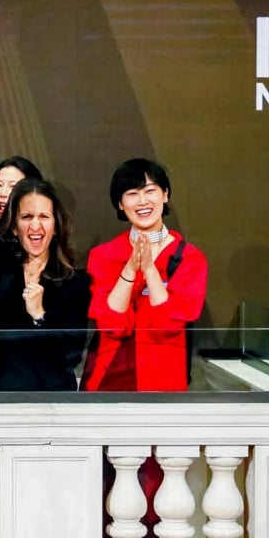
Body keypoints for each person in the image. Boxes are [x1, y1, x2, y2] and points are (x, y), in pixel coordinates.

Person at [82, 158, 207, 392]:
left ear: (165, 195)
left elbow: (167, 325)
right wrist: (129, 270)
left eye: (150, 191)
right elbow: (112, 324)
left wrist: (149, 270)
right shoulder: (103, 256)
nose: (142, 201)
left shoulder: (190, 258)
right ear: (120, 203)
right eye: (132, 193)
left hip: (163, 383)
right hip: (109, 380)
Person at [0, 178, 91, 390]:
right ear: (14, 227)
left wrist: (40, 316)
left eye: (44, 216)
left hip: (50, 403)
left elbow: (69, 355)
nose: (35, 226)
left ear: (55, 226)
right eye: (26, 217)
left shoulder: (75, 283)